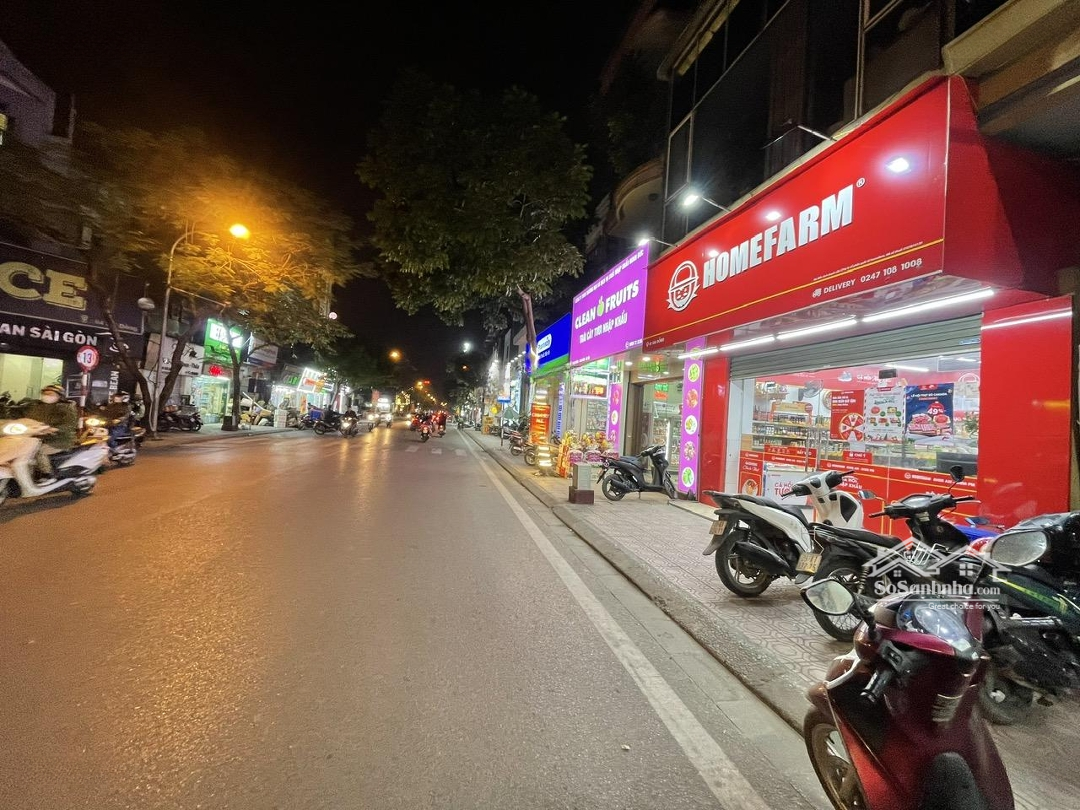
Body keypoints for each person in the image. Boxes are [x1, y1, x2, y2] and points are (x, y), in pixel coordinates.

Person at [22, 385, 79, 478]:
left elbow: (69, 425)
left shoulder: (67, 408)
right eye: (45, 393)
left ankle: (47, 474)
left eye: (50, 394)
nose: (47, 396)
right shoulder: (37, 406)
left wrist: (55, 429)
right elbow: (27, 419)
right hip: (37, 437)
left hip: (58, 440)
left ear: (59, 396)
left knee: (37, 451)